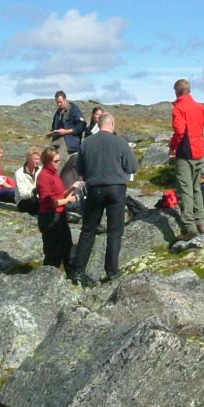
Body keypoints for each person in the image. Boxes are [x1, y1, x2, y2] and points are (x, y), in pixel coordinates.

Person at [70, 112, 139, 287]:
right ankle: (112, 270)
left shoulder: (87, 143)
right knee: (115, 231)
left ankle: (78, 271)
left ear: (98, 124)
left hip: (94, 189)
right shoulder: (120, 142)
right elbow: (132, 166)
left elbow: (79, 169)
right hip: (116, 189)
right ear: (113, 124)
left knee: (88, 230)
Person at [169, 78, 204, 240]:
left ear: (177, 91)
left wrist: (172, 147)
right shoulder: (198, 107)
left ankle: (189, 227)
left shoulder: (179, 107)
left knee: (185, 189)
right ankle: (201, 223)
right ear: (189, 91)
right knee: (196, 188)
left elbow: (179, 130)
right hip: (199, 152)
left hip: (185, 153)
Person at [36, 146, 79, 272]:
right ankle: (48, 279)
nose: (59, 163)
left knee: (67, 247)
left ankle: (72, 275)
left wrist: (71, 188)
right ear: (47, 161)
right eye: (55, 161)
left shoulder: (54, 174)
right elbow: (48, 202)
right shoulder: (43, 176)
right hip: (49, 218)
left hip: (60, 216)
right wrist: (68, 200)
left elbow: (58, 195)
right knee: (52, 253)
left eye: (59, 160)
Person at [50, 90, 86, 155]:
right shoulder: (57, 113)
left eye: (60, 102)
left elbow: (81, 126)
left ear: (65, 99)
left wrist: (66, 131)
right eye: (57, 102)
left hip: (69, 144)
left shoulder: (74, 110)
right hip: (56, 142)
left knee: (60, 159)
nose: (59, 104)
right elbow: (54, 127)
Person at [15, 146, 43, 215]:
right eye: (35, 159)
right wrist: (35, 190)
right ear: (28, 159)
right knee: (34, 202)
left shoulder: (41, 169)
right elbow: (23, 195)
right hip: (23, 201)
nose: (38, 162)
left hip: (38, 199)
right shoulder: (19, 173)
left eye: (39, 159)